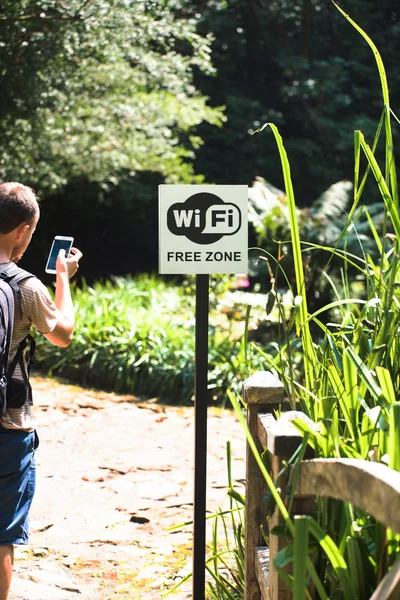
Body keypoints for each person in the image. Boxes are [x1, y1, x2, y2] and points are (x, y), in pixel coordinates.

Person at [0, 182, 82, 600]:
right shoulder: (25, 286)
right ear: (22, 231)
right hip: (8, 425)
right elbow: (63, 334)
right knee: (2, 535)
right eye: (30, 233)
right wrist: (64, 279)